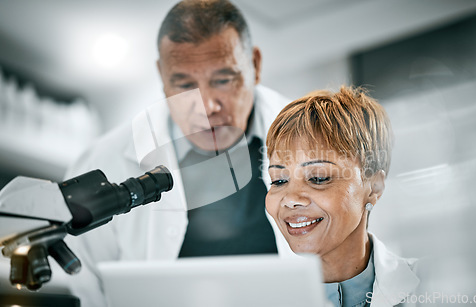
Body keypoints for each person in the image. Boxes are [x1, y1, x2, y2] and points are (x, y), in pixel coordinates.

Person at [63, 1, 290, 306]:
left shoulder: (319, 140)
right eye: (184, 85)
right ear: (162, 75)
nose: (207, 106)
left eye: (223, 80)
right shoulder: (102, 164)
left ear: (255, 65)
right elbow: (88, 293)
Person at [265, 86, 420, 306]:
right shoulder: (256, 298)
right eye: (278, 180)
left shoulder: (435, 286)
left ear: (374, 188)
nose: (290, 199)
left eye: (318, 178)